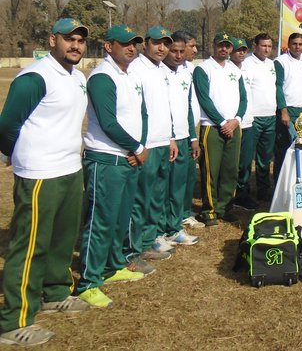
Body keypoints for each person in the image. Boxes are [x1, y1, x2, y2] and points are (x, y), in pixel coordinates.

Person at [0, 18, 90, 345]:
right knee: (29, 246)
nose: (75, 45)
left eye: (80, 40)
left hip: (69, 169)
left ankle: (54, 292)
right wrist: (17, 153)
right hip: (39, 174)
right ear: (53, 40)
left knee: (62, 240)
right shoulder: (35, 77)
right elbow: (8, 124)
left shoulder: (77, 77)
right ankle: (14, 319)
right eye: (69, 39)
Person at [76, 24, 149, 308]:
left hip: (127, 157)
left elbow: (141, 114)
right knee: (100, 222)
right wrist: (138, 147)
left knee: (120, 218)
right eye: (124, 43)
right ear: (108, 46)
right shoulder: (102, 77)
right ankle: (88, 281)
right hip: (106, 159)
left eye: (134, 43)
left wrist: (138, 147)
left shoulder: (130, 75)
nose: (131, 48)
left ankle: (113, 266)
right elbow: (108, 123)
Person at [125, 27, 179, 268]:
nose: (162, 48)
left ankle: (148, 241)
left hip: (161, 141)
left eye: (165, 44)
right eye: (156, 43)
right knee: (140, 200)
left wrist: (170, 138)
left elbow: (163, 107)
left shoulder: (161, 70)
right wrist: (137, 145)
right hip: (145, 145)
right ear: (145, 44)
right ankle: (132, 248)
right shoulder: (135, 69)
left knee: (155, 197)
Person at [193, 32, 247, 225]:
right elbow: (204, 99)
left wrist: (236, 120)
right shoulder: (203, 68)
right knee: (211, 170)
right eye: (220, 45)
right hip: (213, 127)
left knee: (230, 170)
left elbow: (243, 98)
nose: (224, 49)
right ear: (213, 46)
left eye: (227, 46)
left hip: (234, 127)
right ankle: (210, 210)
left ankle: (226, 207)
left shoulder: (235, 69)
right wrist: (222, 122)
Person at [162, 35, 201, 246]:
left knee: (178, 187)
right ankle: (162, 229)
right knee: (164, 188)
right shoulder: (159, 74)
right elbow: (160, 108)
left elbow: (186, 107)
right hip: (167, 140)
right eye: (173, 51)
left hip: (184, 137)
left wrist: (193, 137)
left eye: (180, 51)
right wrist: (169, 137)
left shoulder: (185, 73)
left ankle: (174, 226)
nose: (178, 55)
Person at [242, 33, 281, 204]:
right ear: (255, 45)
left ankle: (263, 191)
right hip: (253, 118)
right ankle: (242, 193)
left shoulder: (272, 64)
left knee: (265, 159)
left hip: (270, 117)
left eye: (269, 46)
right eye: (263, 46)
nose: (266, 49)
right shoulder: (247, 63)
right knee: (246, 158)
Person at [172, 30, 204, 229]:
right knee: (175, 180)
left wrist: (193, 135)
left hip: (189, 130)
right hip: (174, 135)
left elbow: (190, 103)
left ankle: (184, 211)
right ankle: (176, 215)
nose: (195, 50)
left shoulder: (189, 69)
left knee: (188, 175)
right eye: (191, 46)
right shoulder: (168, 71)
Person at [274, 32, 302, 180]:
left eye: (300, 44)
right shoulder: (281, 61)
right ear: (289, 45)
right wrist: (283, 110)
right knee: (284, 149)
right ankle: (280, 183)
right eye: (294, 44)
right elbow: (277, 87)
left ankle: (299, 179)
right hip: (287, 110)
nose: (297, 47)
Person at [230, 38, 259, 210]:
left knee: (246, 162)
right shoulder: (225, 69)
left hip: (248, 121)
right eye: (237, 50)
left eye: (244, 50)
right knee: (231, 163)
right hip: (232, 123)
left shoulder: (249, 68)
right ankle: (228, 194)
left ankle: (242, 194)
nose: (241, 53)